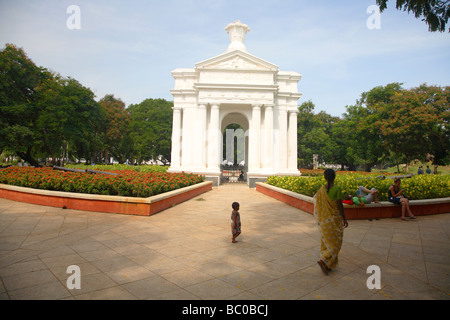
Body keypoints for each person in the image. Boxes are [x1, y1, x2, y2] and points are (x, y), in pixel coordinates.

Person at [313, 169, 348, 275]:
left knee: (327, 241)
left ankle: (328, 264)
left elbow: (316, 201)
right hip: (335, 220)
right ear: (334, 177)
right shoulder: (337, 188)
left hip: (325, 221)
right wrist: (344, 218)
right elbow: (339, 205)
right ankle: (323, 260)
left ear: (325, 177)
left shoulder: (322, 190)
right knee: (336, 242)